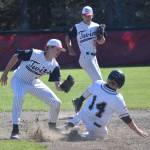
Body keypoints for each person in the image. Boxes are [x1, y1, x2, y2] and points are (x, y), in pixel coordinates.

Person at [0, 39, 71, 139]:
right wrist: (5, 73)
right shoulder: (34, 53)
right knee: (19, 97)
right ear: (49, 48)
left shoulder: (55, 66)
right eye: (57, 49)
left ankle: (52, 127)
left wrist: (63, 87)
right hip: (19, 80)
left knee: (56, 102)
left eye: (60, 50)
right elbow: (16, 56)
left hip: (33, 82)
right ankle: (15, 131)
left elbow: (57, 87)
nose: (59, 52)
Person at [66, 70, 148, 140]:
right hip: (95, 126)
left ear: (108, 78)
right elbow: (126, 119)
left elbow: (81, 99)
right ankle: (80, 136)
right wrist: (138, 130)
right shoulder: (117, 98)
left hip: (83, 115)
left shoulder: (97, 83)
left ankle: (67, 127)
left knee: (81, 114)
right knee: (103, 134)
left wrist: (78, 111)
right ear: (120, 84)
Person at [65, 6, 106, 112]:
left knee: (99, 83)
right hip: (85, 57)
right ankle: (86, 103)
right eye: (84, 15)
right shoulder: (77, 27)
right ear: (82, 15)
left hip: (93, 57)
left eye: (88, 15)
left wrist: (100, 37)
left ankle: (79, 100)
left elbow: (102, 42)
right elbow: (68, 36)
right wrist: (70, 48)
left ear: (92, 15)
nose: (86, 17)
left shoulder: (96, 26)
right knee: (100, 83)